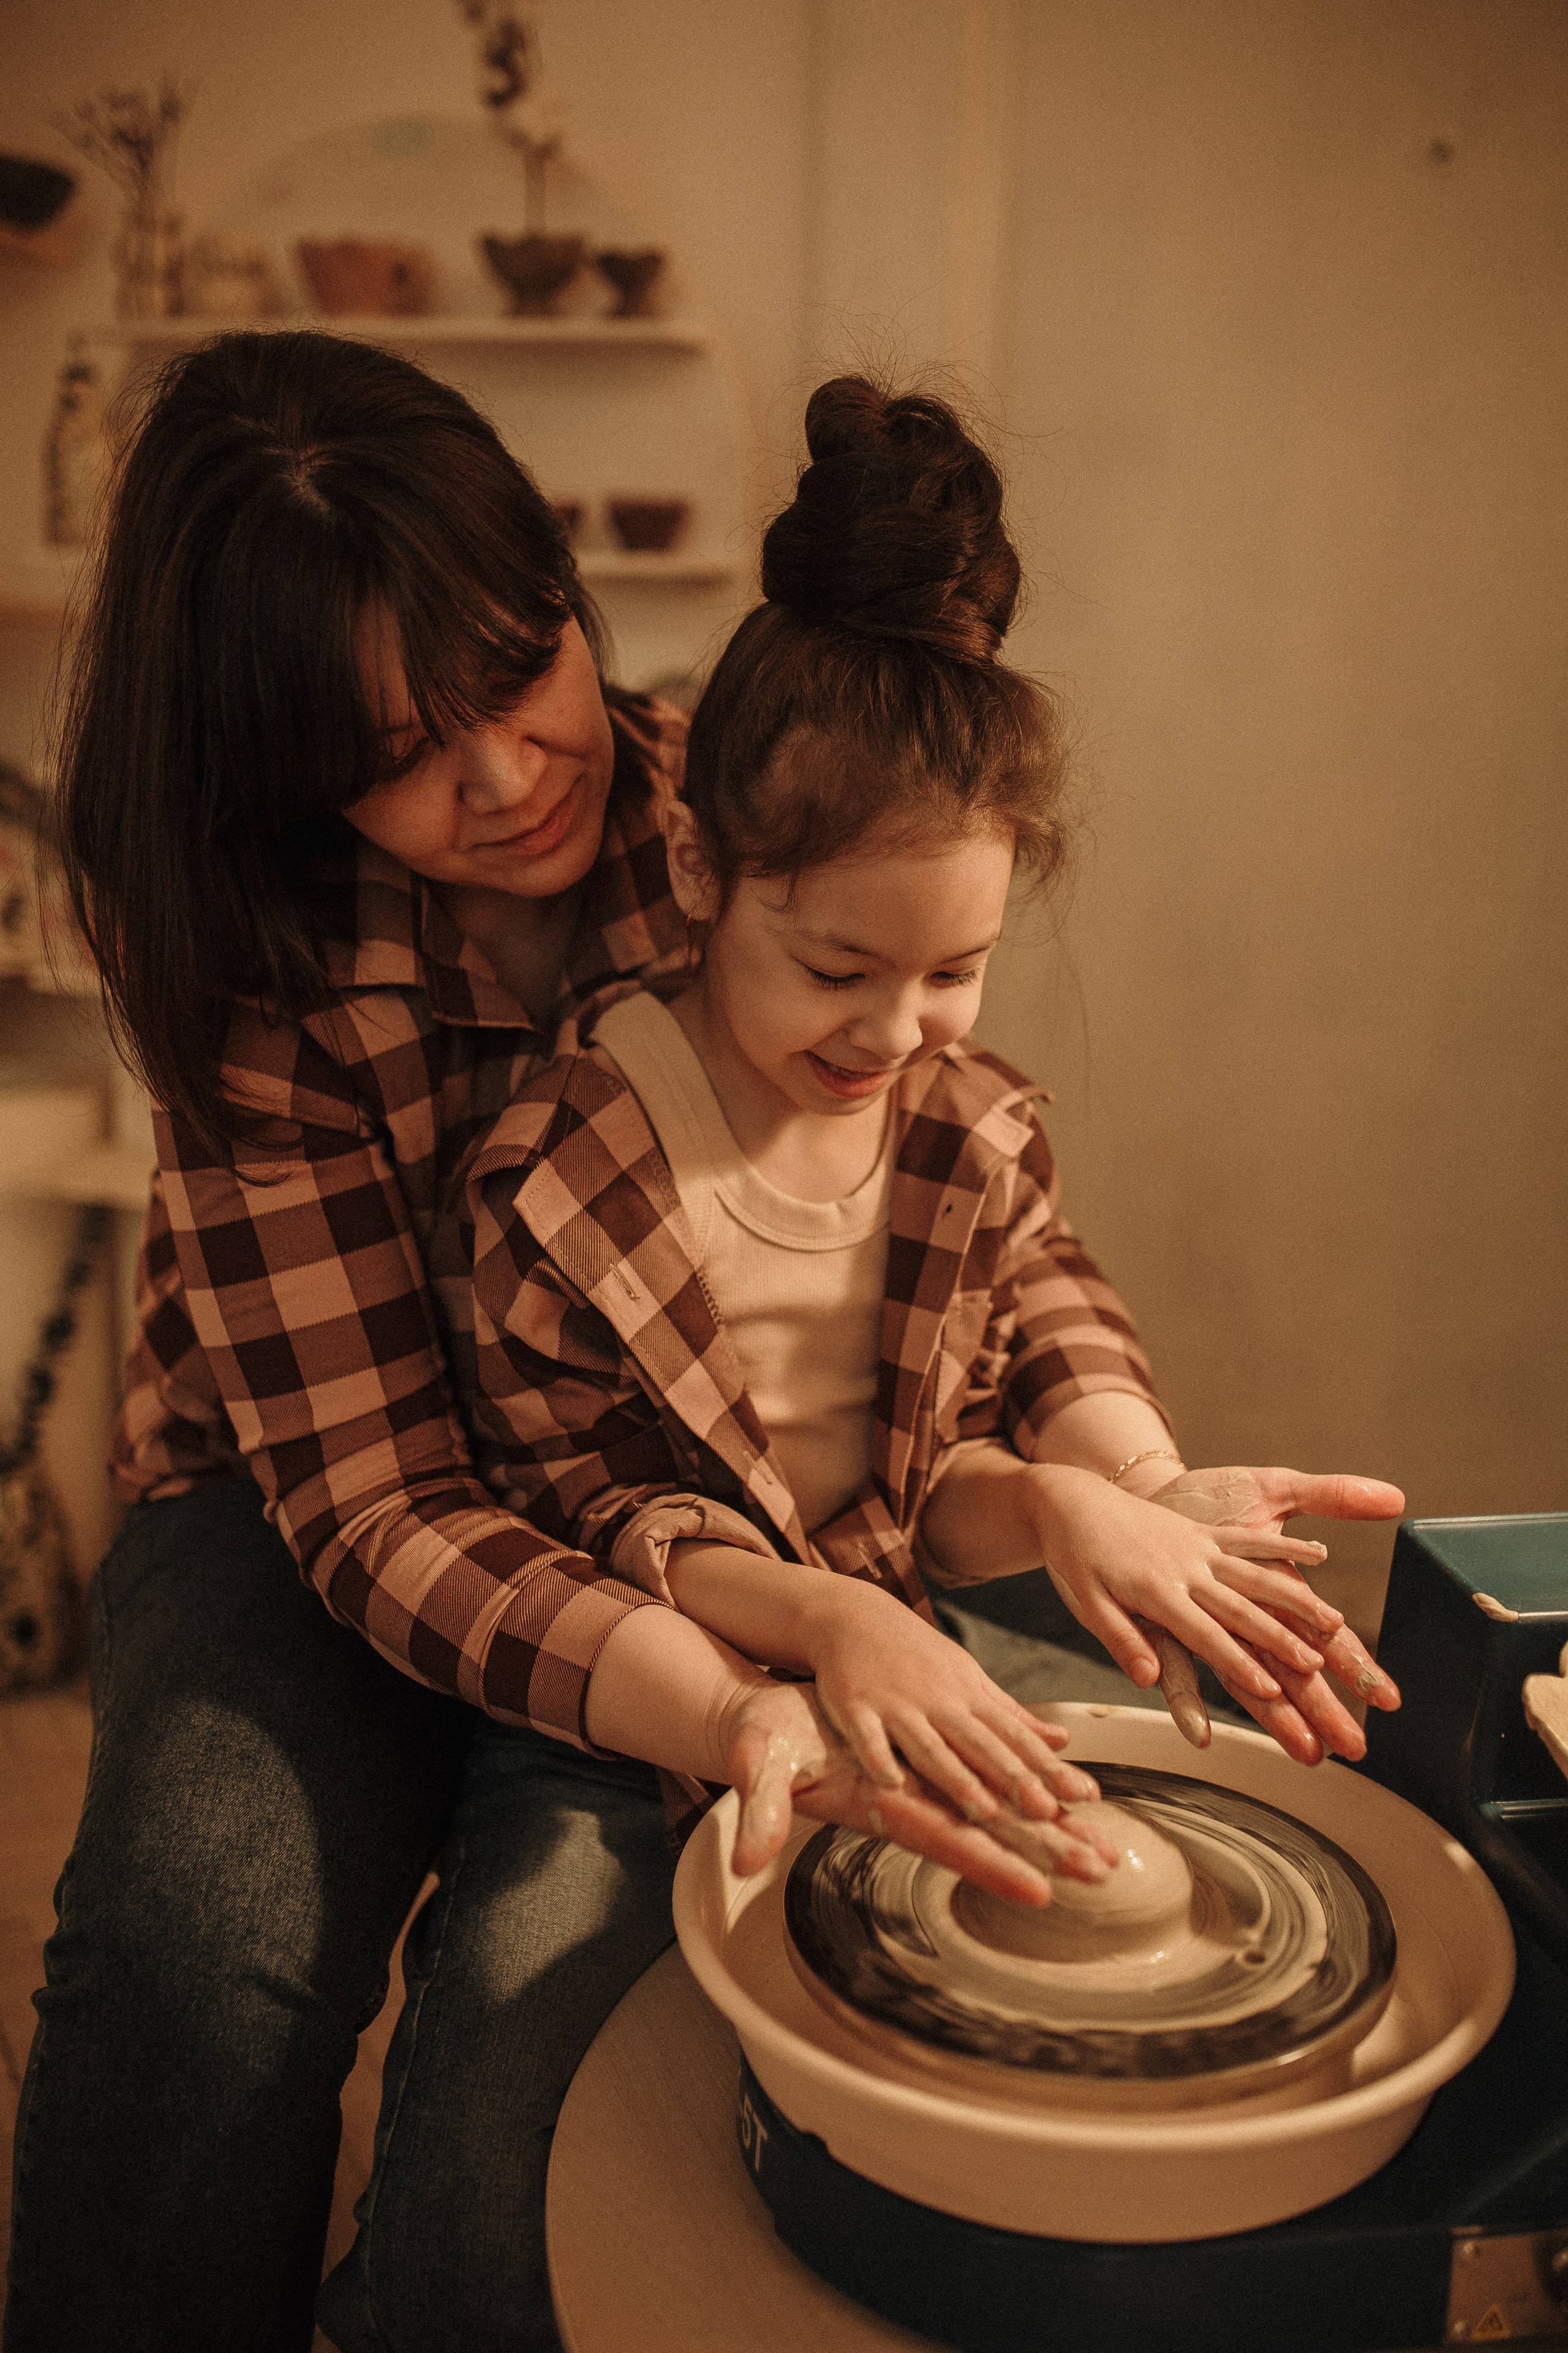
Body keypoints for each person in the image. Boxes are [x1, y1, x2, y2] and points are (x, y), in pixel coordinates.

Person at [4, 333, 1112, 2353]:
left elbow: (955, 1192)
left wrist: (1099, 1455)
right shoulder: (247, 961)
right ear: (274, 764)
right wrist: (709, 1690)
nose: (511, 777)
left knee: (545, 2084)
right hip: (308, 1503)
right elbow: (371, 1500)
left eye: (523, 668)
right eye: (399, 747)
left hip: (668, 1499)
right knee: (200, 1939)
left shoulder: (737, 811)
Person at [457, 375, 1405, 1818]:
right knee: (531, 2038)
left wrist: (1101, 1492)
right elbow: (594, 1524)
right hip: (624, 1705)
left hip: (909, 1640)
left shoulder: (968, 1130)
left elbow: (942, 1468)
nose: (896, 1032)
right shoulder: (571, 1170)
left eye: (953, 969)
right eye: (834, 964)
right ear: (703, 874)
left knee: (1163, 1833)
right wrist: (824, 1630)